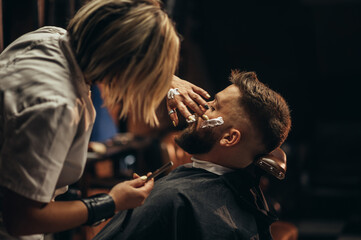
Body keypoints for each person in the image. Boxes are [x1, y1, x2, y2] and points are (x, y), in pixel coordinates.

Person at [0, 0, 211, 239]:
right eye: (146, 70)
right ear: (127, 60)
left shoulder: (48, 38)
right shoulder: (57, 106)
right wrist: (110, 202)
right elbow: (22, 219)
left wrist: (164, 75)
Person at [93, 70, 292, 240]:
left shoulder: (174, 199)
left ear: (229, 138)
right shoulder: (245, 193)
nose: (201, 107)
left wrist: (111, 203)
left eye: (214, 107)